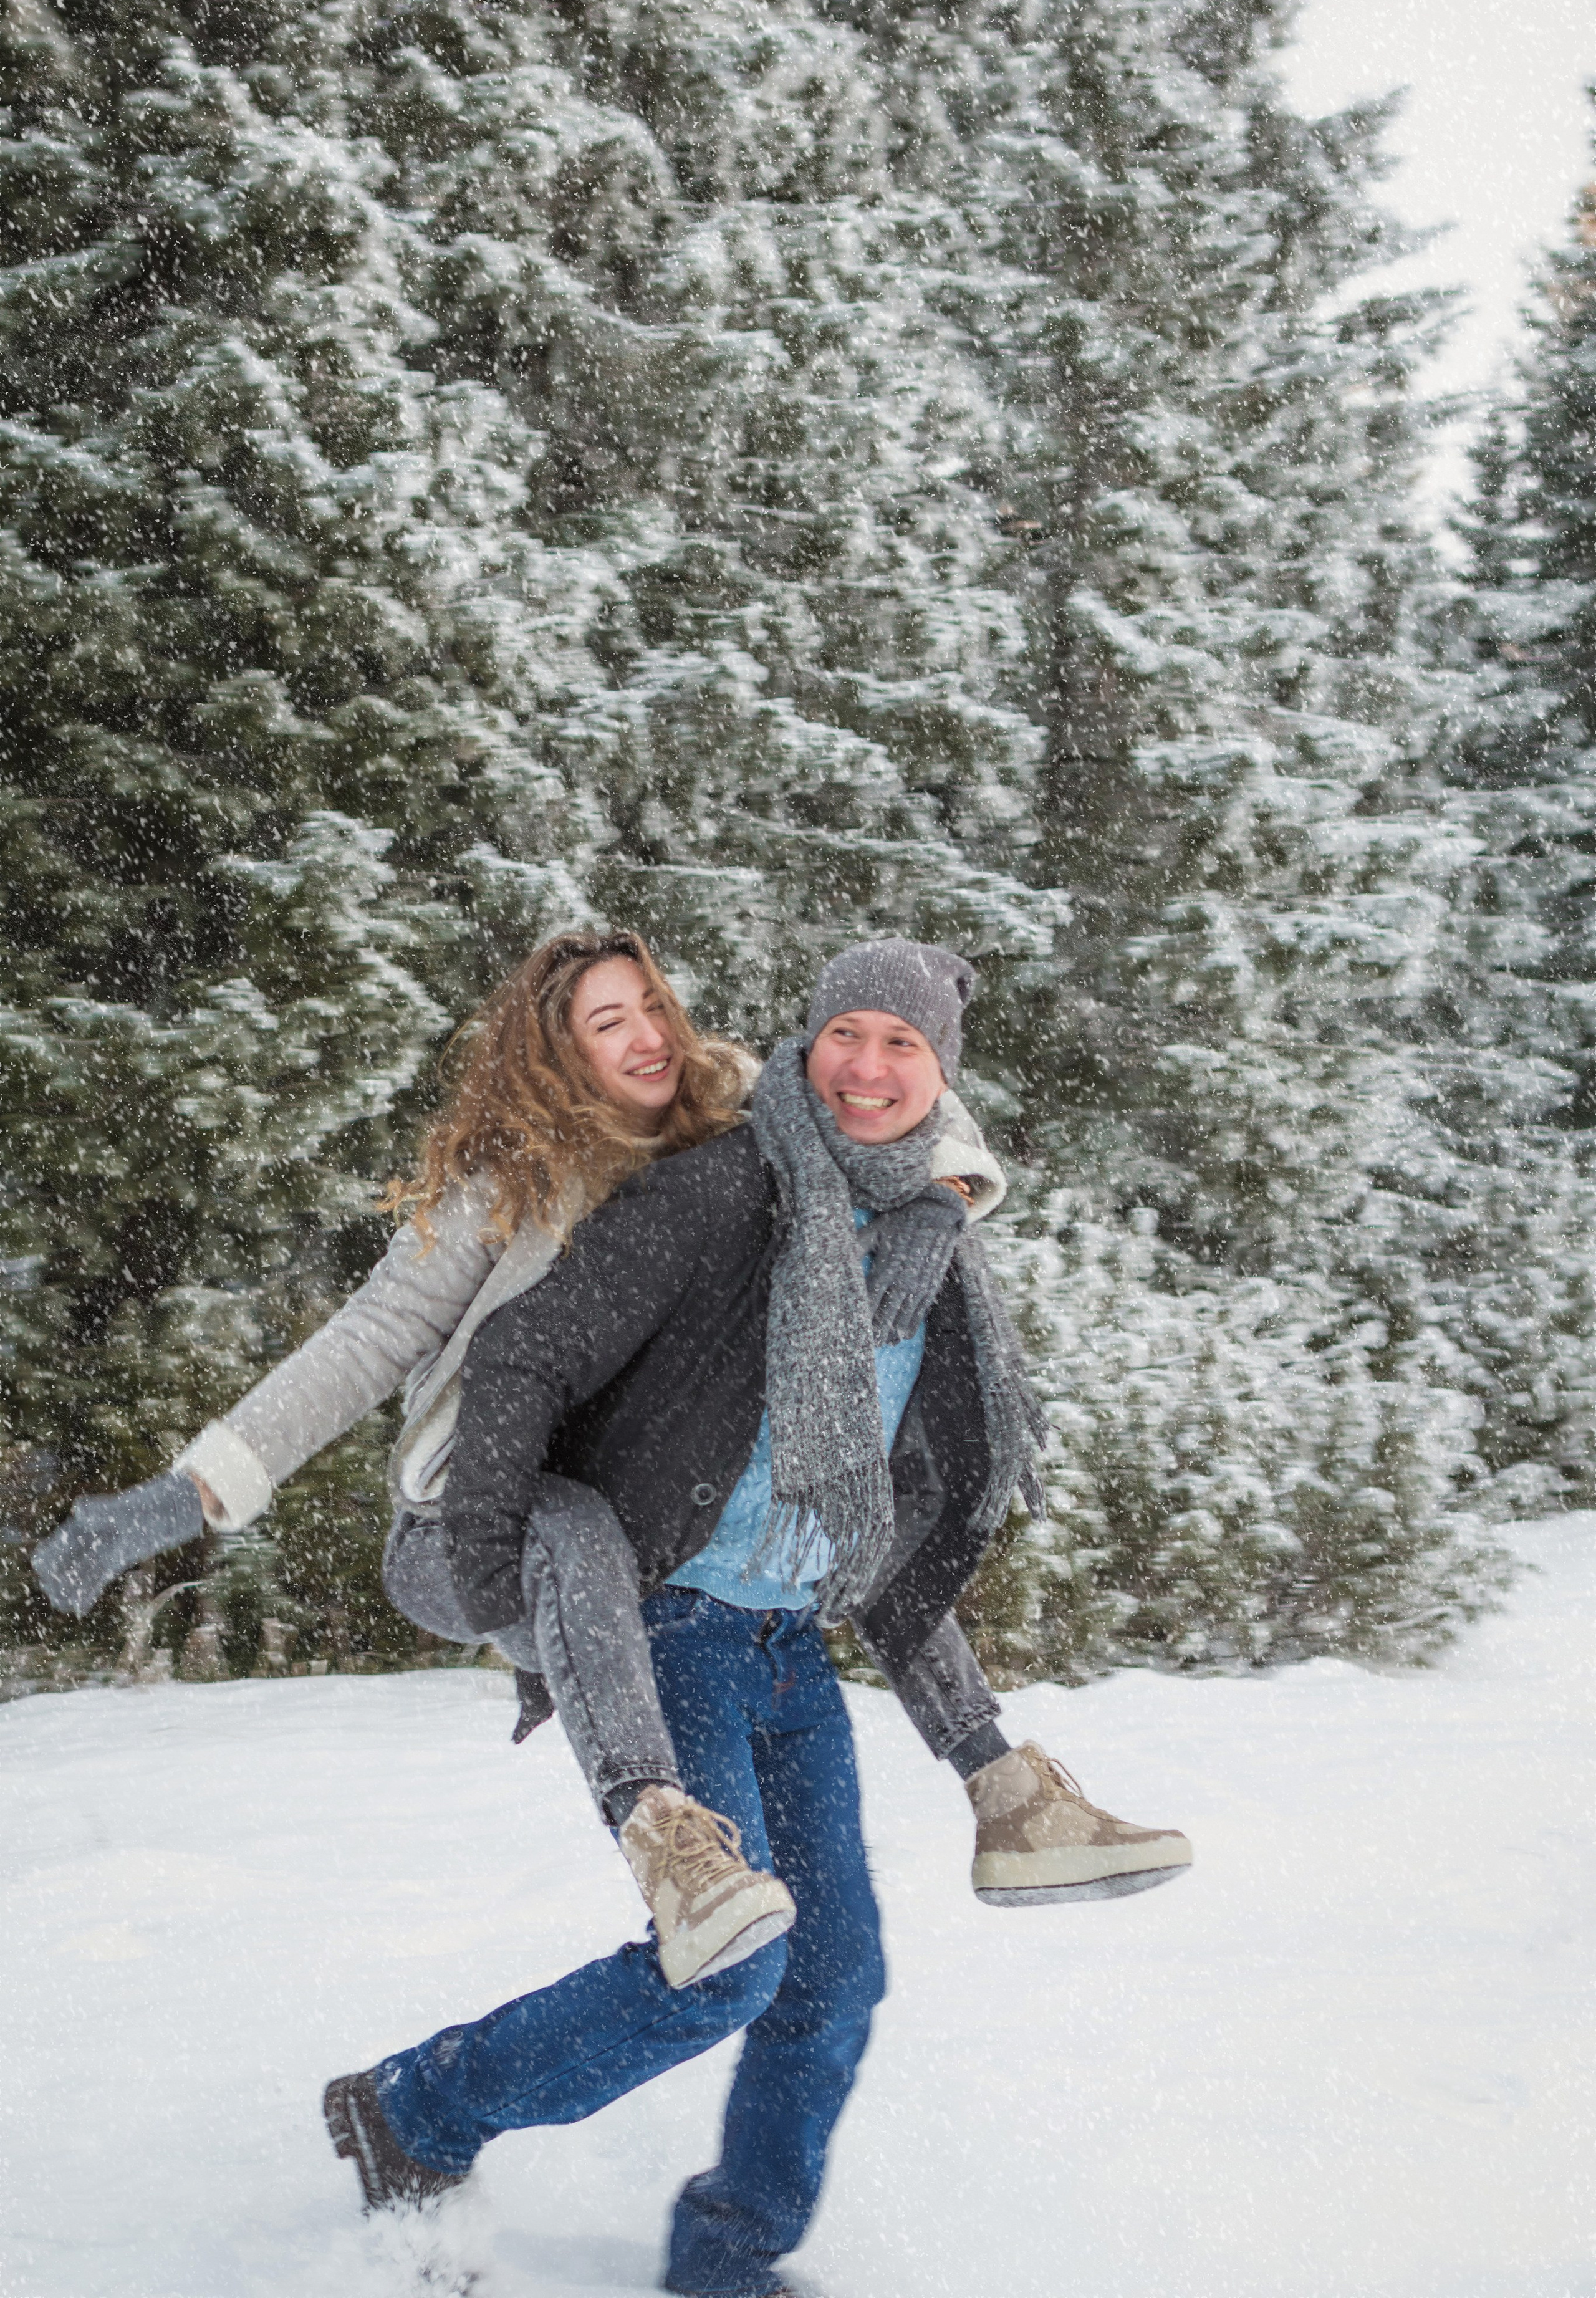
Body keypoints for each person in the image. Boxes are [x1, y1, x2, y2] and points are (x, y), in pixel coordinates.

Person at [320, 940, 1191, 2298]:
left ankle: (729, 2256)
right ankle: (418, 2109)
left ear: (938, 1071)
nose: (868, 1067)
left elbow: (887, 1518)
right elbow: (526, 1354)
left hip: (793, 1646)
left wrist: (983, 1750)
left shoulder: (933, 1246)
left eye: (901, 1046)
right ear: (808, 1042)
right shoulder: (725, 1186)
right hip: (667, 1627)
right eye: (848, 1034)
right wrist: (499, 1561)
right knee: (725, 1966)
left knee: (831, 1987)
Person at [33, 933, 1190, 1941]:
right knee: (574, 1526)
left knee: (857, 1487)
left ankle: (1003, 1784)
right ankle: (663, 1841)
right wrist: (192, 1493)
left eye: (655, 1009)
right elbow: (361, 1346)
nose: (647, 1039)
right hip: (481, 1515)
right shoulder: (511, 1187)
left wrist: (943, 1200)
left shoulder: (736, 1116)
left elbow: (886, 1090)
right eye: (607, 1022)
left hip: (638, 1509)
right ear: (554, 1052)